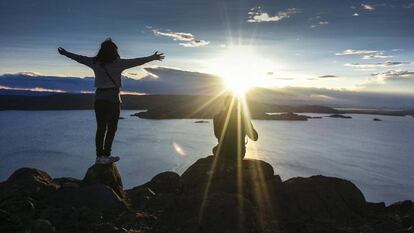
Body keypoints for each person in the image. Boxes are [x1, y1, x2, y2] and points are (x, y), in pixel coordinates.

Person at [58, 38, 164, 164]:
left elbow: (79, 58)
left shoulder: (95, 62)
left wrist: (65, 53)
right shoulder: (118, 63)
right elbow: (137, 61)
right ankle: (106, 155)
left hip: (99, 98)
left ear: (101, 50)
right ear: (115, 50)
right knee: (112, 128)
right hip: (113, 98)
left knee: (101, 128)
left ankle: (99, 157)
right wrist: (153, 57)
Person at [213, 95, 258, 162]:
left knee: (214, 150)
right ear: (237, 105)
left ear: (225, 104)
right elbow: (254, 137)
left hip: (221, 152)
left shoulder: (217, 117)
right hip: (238, 154)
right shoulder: (243, 117)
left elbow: (217, 135)